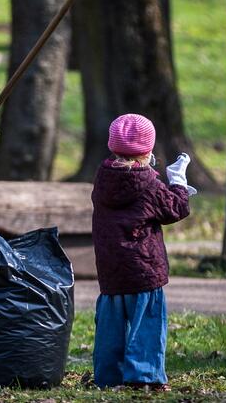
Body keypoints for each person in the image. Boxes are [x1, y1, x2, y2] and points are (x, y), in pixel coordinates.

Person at [90, 113, 192, 391]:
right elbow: (176, 209)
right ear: (148, 150)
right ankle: (143, 376)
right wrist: (178, 182)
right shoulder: (147, 183)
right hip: (143, 268)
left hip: (111, 268)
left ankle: (109, 375)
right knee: (145, 324)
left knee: (111, 324)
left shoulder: (103, 178)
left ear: (113, 147)